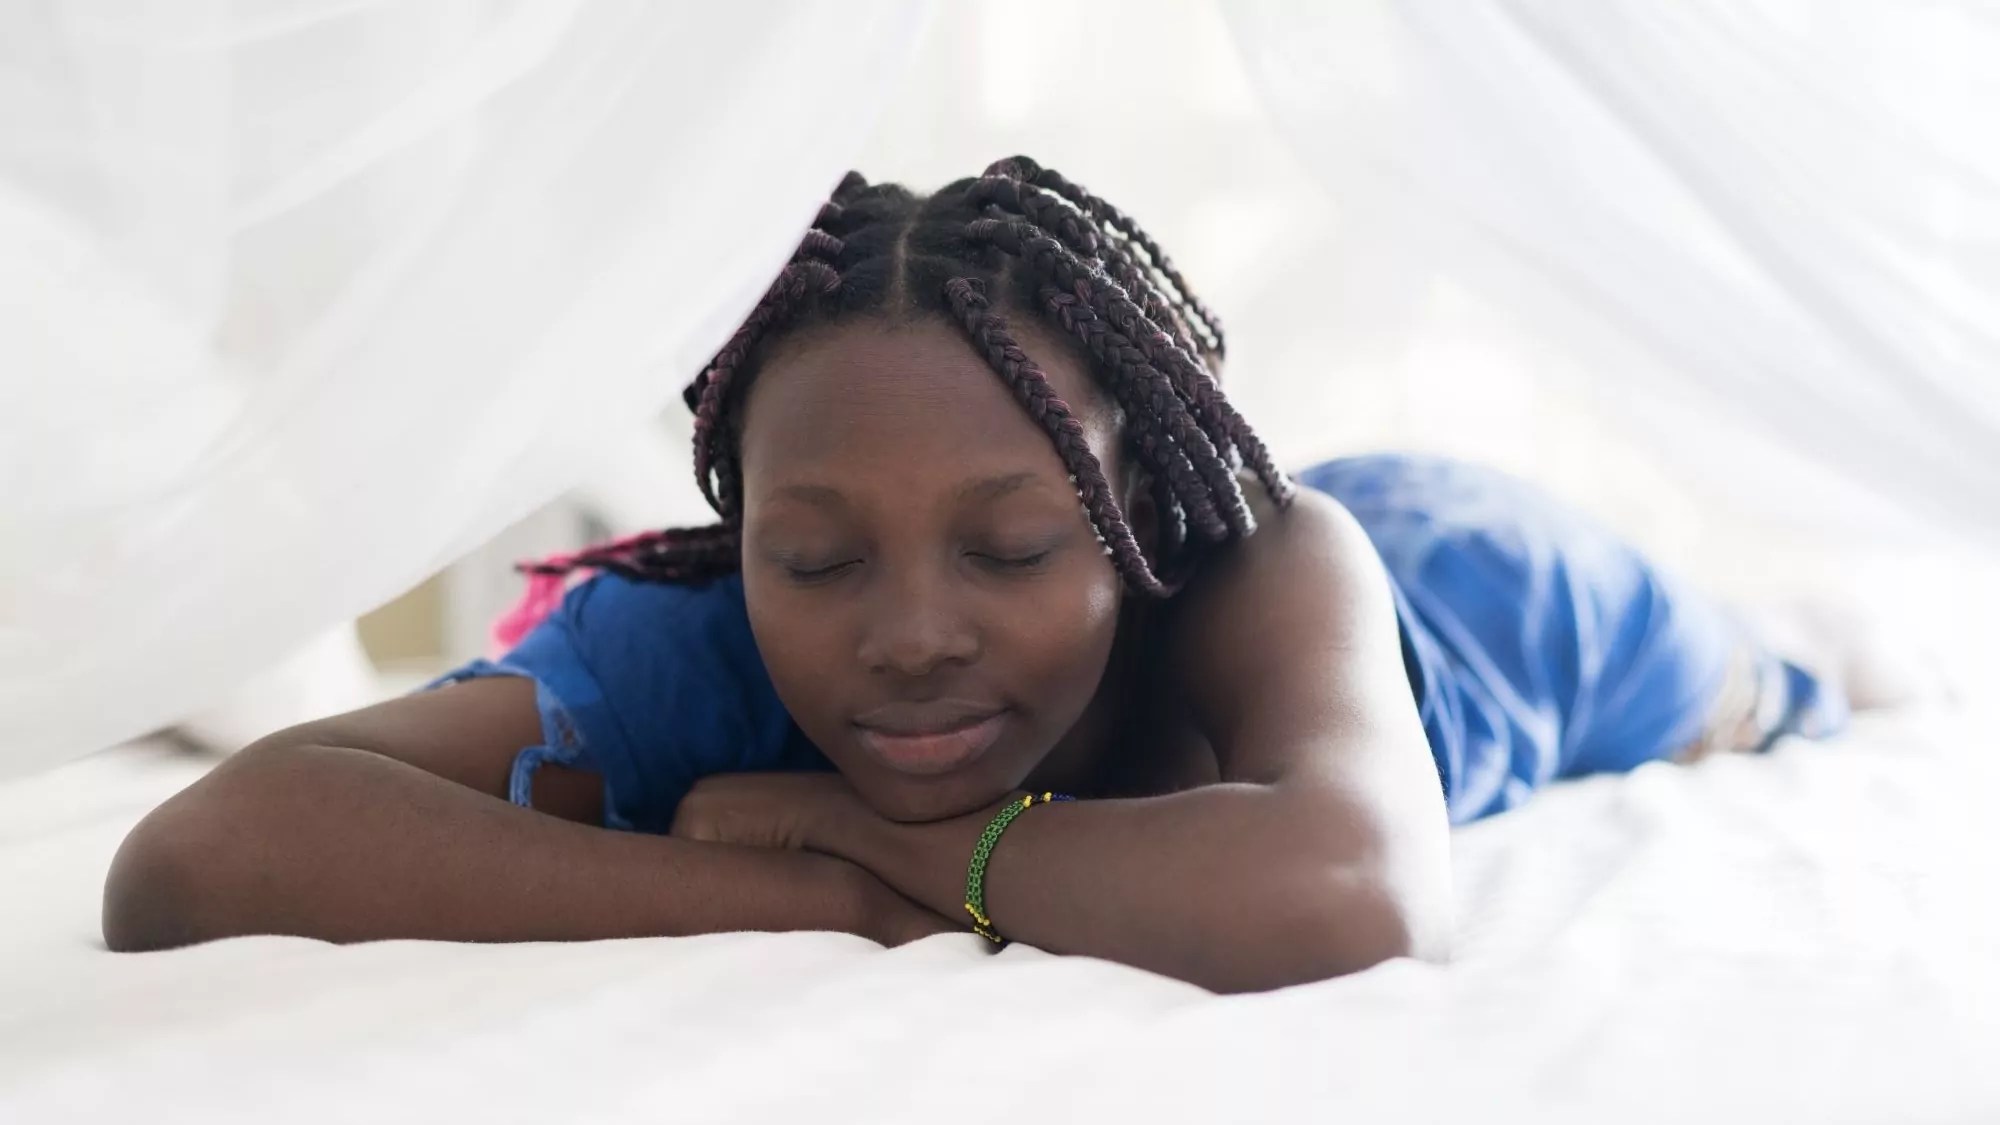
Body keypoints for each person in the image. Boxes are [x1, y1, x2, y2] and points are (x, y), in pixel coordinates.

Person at [101, 157, 1849, 993]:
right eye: (817, 555)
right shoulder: (700, 642)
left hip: (1482, 589)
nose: (909, 633)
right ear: (746, 533)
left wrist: (860, 833)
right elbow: (198, 856)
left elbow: (1353, 893)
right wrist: (796, 902)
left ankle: (1806, 637)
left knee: (1766, 684)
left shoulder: (1263, 565)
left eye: (1011, 545)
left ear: (1138, 516)